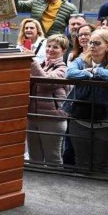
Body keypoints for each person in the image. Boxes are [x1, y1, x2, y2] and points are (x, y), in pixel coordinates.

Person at [63, 29, 108, 174]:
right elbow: (70, 73)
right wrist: (88, 72)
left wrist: (97, 72)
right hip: (80, 119)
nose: (92, 46)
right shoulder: (80, 60)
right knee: (81, 162)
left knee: (102, 165)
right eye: (91, 42)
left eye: (97, 43)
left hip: (106, 122)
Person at [28, 34, 69, 165]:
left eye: (55, 47)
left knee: (53, 159)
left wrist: (32, 61)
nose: (50, 49)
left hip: (52, 119)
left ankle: (57, 185)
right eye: (48, 46)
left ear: (63, 50)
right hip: (32, 116)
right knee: (35, 159)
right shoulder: (41, 64)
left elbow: (46, 82)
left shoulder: (63, 69)